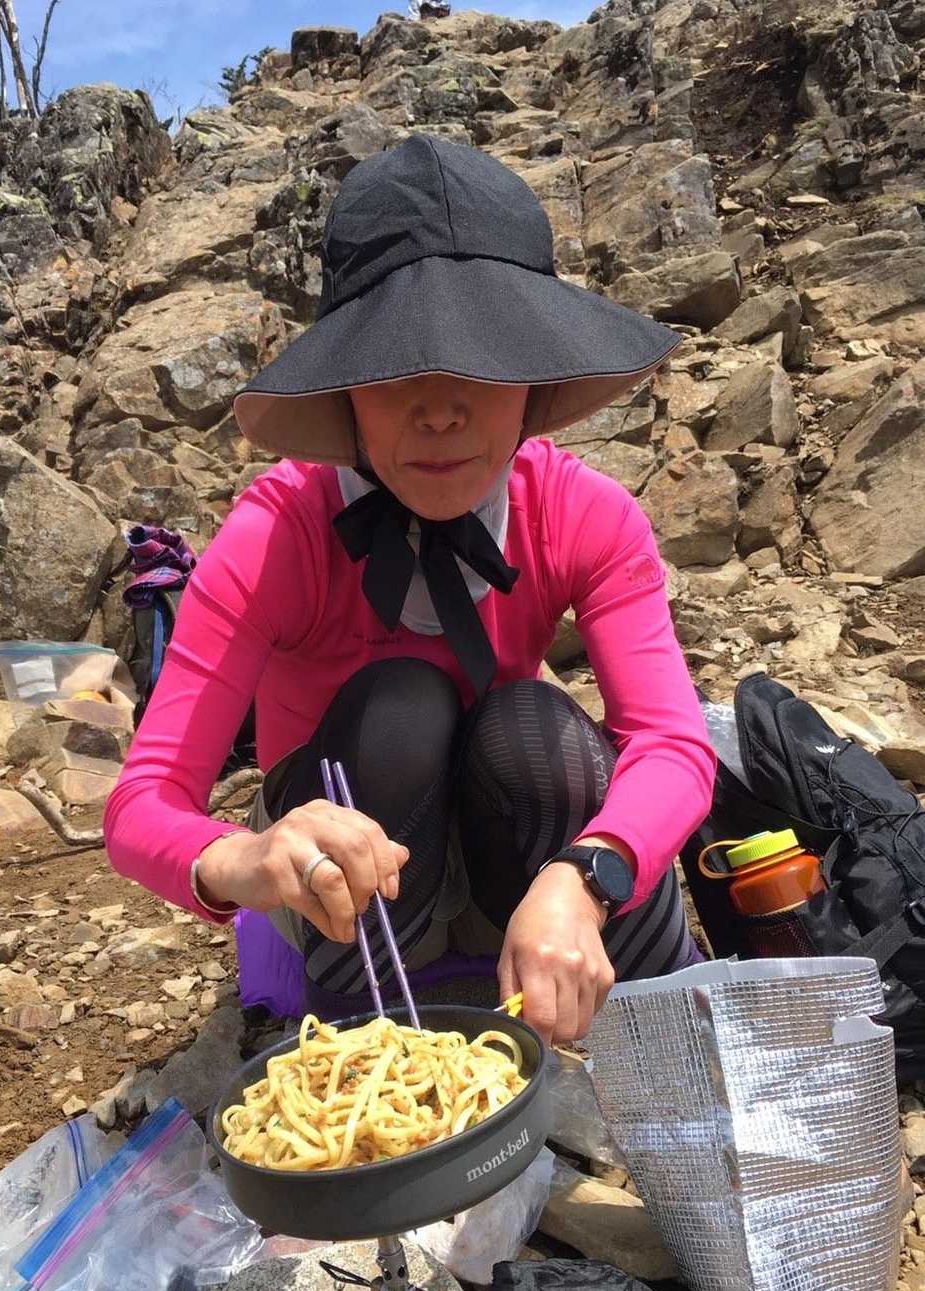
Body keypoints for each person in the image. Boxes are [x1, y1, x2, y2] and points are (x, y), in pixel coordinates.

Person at [103, 135, 717, 1047]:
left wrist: (588, 875)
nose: (439, 410)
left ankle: (628, 1031)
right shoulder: (277, 537)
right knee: (399, 709)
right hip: (355, 895)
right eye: (396, 369)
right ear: (345, 389)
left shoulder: (583, 515)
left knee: (535, 730)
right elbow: (144, 802)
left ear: (531, 378)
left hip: (521, 877)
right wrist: (246, 856)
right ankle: (369, 1044)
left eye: (481, 361)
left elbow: (672, 742)